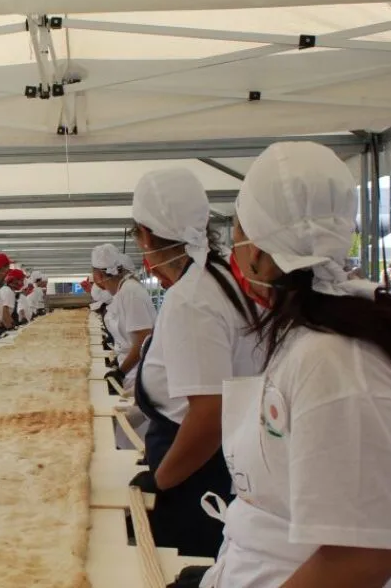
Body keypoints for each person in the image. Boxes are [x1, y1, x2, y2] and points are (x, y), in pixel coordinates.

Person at [202, 142, 391, 587]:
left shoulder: (337, 360)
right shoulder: (312, 335)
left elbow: (365, 556)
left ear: (257, 248)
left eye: (237, 233)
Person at [128, 167, 262, 558]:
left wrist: (164, 478)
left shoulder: (193, 296)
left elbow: (209, 413)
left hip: (198, 473)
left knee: (187, 558)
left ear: (147, 235)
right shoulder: (220, 277)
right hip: (214, 459)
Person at [91, 244, 156, 392]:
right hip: (131, 367)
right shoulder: (123, 292)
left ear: (99, 276)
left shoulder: (130, 292)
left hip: (138, 371)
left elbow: (143, 341)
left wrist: (121, 372)